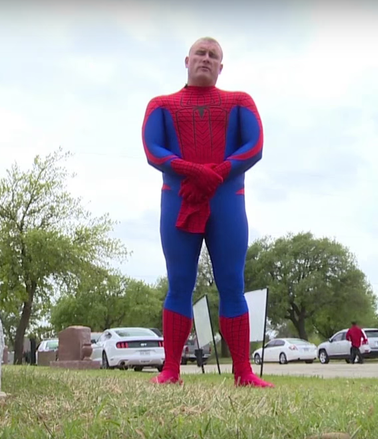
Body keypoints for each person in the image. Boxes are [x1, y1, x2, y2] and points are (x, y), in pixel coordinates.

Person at [141, 37, 271, 387]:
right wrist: (194, 170)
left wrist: (220, 170)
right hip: (180, 199)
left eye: (214, 55)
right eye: (201, 53)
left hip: (227, 202)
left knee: (233, 284)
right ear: (187, 60)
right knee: (179, 283)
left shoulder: (239, 101)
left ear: (221, 66)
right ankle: (170, 369)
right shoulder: (162, 105)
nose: (206, 59)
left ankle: (243, 371)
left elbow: (255, 145)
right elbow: (153, 150)